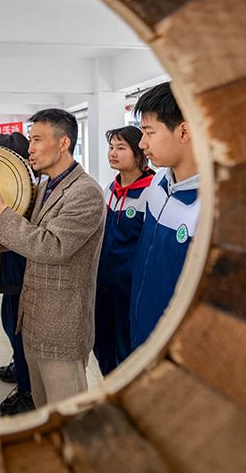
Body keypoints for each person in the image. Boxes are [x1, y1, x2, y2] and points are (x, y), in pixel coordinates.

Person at [0, 109, 106, 408]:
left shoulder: (85, 193)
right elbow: (27, 235)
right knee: (44, 406)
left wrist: (1, 212)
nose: (30, 147)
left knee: (67, 412)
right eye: (30, 138)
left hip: (61, 325)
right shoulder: (48, 185)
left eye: (37, 139)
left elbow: (51, 246)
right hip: (34, 317)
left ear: (63, 143)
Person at [130, 82, 199, 350]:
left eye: (149, 132)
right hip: (142, 331)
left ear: (183, 131)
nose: (141, 143)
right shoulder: (157, 186)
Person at [92, 125, 154, 376]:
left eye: (121, 148)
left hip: (130, 291)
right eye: (111, 147)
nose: (112, 153)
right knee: (102, 345)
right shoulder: (110, 189)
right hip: (104, 285)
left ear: (140, 153)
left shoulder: (151, 191)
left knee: (126, 349)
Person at [0, 132, 35, 415]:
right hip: (11, 273)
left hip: (23, 277)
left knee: (18, 329)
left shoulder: (27, 190)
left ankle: (28, 392)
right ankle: (19, 366)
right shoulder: (10, 186)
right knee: (10, 325)